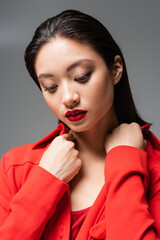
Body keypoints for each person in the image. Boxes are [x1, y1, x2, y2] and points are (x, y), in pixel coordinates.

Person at [0, 9, 160, 240]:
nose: (67, 98)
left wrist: (125, 161)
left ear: (115, 69)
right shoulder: (16, 167)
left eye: (82, 76)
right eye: (51, 86)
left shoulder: (154, 170)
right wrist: (45, 180)